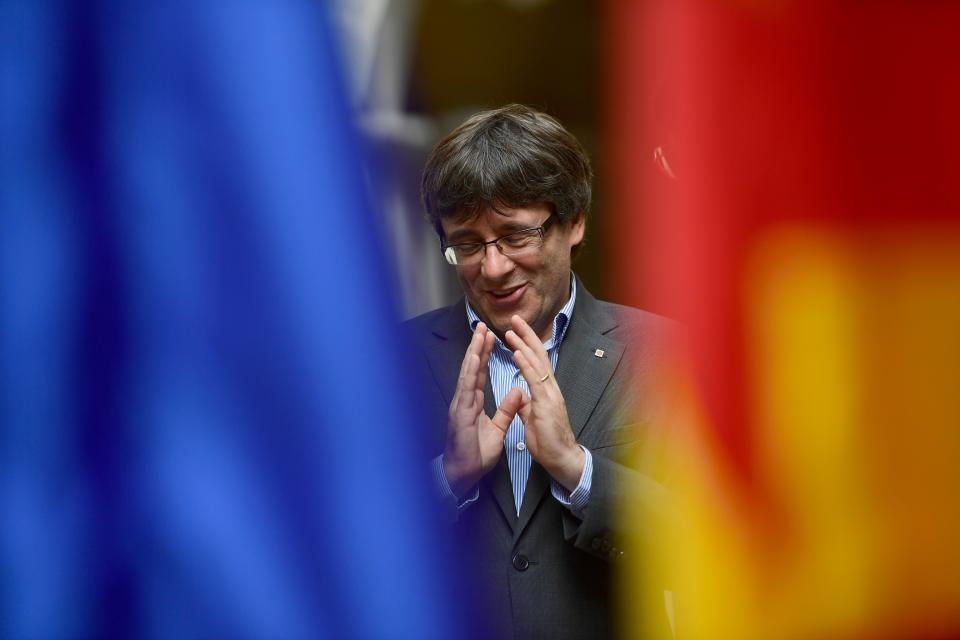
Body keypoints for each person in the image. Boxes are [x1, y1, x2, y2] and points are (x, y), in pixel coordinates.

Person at [405, 104, 675, 639]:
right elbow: (343, 550)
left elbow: (708, 541)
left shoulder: (663, 354)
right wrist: (447, 478)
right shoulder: (391, 361)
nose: (493, 267)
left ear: (574, 222)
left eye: (515, 235)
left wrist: (578, 469)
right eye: (466, 243)